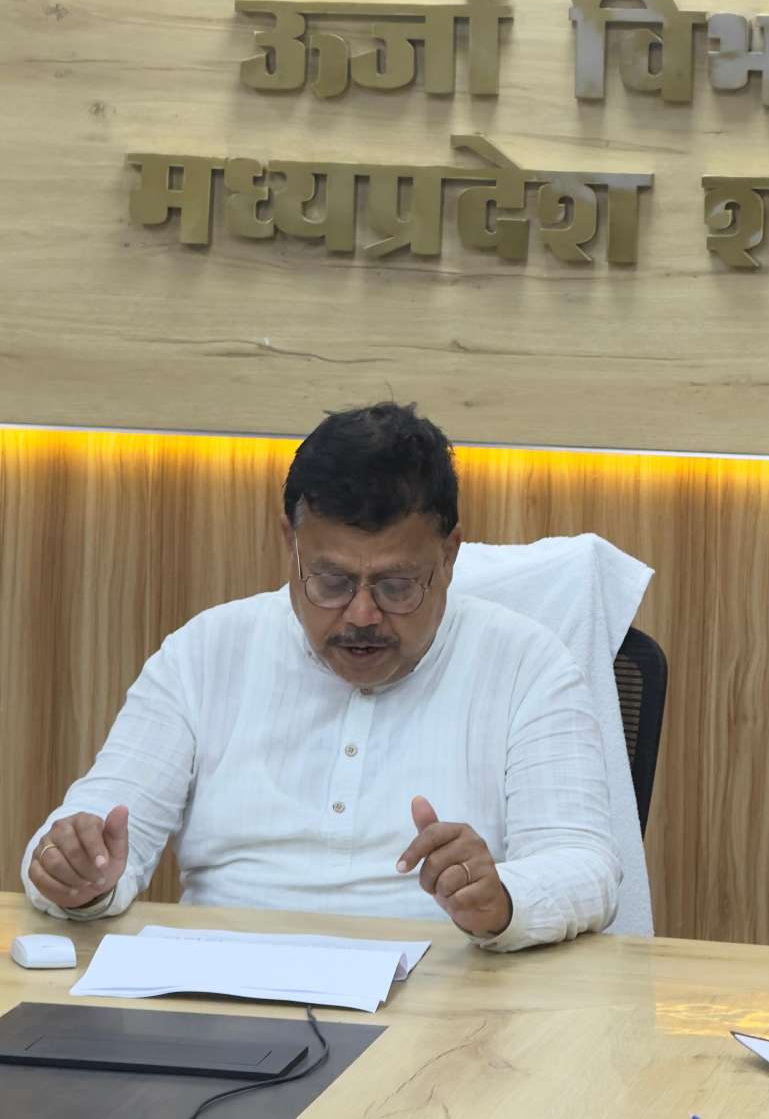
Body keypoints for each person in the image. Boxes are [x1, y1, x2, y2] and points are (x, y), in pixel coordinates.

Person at [22, 403, 621, 951]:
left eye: (395, 586)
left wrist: (503, 898)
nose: (361, 615)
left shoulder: (526, 665)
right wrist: (76, 874)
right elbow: (91, 828)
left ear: (448, 556)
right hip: (220, 990)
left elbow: (584, 863)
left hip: (442, 1001)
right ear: (291, 543)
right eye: (331, 582)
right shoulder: (205, 653)